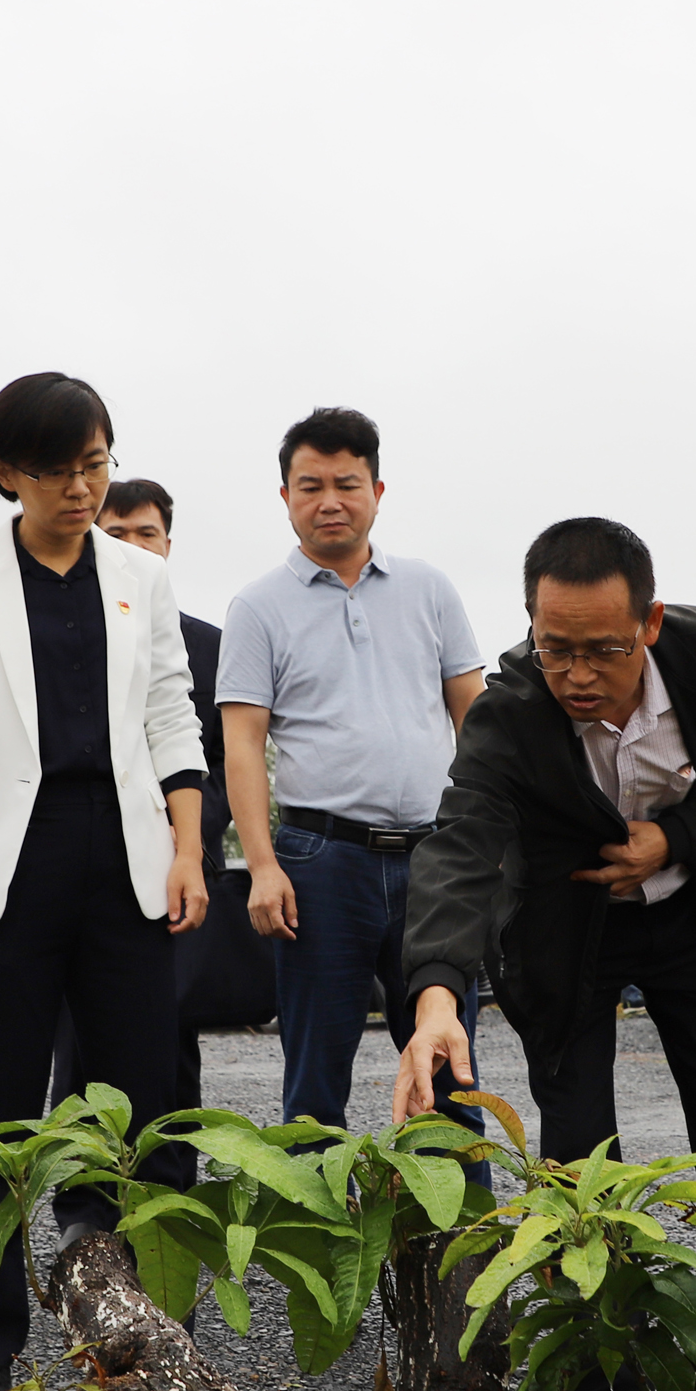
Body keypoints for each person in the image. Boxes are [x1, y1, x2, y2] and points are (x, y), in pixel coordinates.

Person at [395, 516, 696, 1391]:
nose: (576, 673)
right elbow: (461, 841)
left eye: (602, 650)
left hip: (692, 919)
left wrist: (675, 838)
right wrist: (437, 992)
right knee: (579, 1167)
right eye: (554, 646)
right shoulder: (509, 711)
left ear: (649, 623)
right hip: (567, 935)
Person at [0, 374, 209, 1391]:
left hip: (125, 855)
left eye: (97, 464)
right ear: (8, 473)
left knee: (139, 1107)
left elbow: (171, 713)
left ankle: (138, 1341)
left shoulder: (139, 574)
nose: (83, 489)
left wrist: (187, 847)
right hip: (9, 859)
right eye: (59, 470)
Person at [218, 409, 487, 1129]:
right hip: (320, 863)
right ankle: (312, 1205)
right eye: (311, 486)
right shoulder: (258, 607)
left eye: (347, 484)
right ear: (285, 497)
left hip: (435, 859)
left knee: (450, 1069)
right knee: (315, 1077)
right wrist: (262, 865)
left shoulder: (429, 588)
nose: (329, 501)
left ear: (378, 491)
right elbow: (242, 745)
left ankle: (457, 1202)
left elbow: (474, 715)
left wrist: (482, 840)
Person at [50, 477, 229, 1122]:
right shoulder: (61, 633)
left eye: (146, 533)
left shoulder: (211, 645)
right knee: (77, 1035)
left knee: (169, 1030)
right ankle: (81, 1182)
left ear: (168, 545)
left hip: (177, 865)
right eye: (116, 532)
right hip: (84, 859)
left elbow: (225, 762)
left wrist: (188, 838)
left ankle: (171, 1172)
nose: (132, 545)